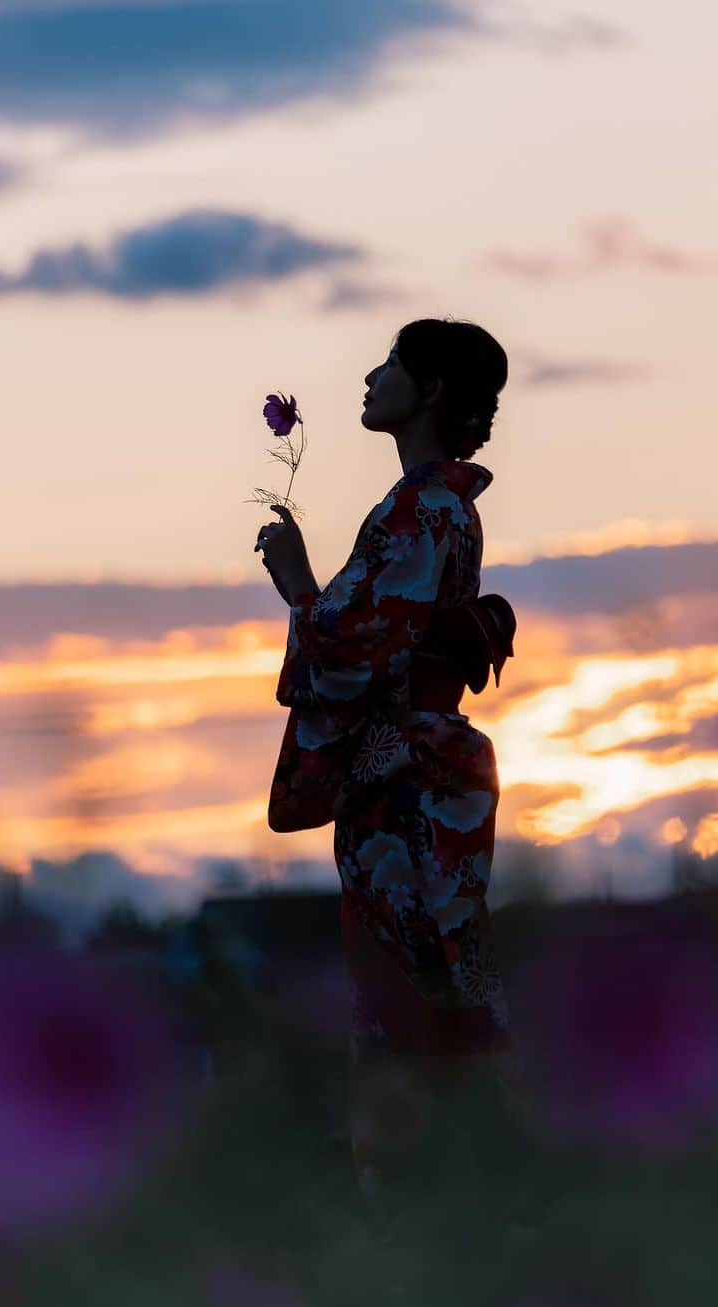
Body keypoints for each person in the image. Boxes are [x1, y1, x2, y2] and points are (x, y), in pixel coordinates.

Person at [255, 317, 523, 1200]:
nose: (370, 378)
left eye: (391, 366)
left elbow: (360, 644)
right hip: (413, 765)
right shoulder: (436, 508)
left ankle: (436, 1205)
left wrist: (298, 581)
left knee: (416, 984)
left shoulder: (424, 508)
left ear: (432, 391)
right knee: (432, 975)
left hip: (405, 773)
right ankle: (470, 1191)